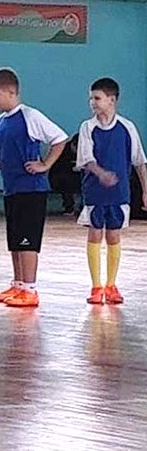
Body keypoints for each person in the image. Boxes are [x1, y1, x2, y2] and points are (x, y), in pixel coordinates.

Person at [0, 68, 67, 309]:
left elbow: (60, 138)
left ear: (11, 92)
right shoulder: (0, 122)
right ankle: (18, 285)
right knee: (16, 240)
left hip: (31, 190)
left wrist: (45, 164)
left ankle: (30, 289)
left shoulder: (30, 116)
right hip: (12, 190)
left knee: (28, 241)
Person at [74, 77, 147, 305]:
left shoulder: (127, 127)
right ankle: (96, 286)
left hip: (119, 193)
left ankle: (111, 285)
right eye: (91, 98)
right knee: (95, 233)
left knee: (114, 235)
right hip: (94, 192)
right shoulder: (87, 127)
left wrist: (145, 191)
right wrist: (101, 173)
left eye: (97, 98)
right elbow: (86, 159)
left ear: (112, 100)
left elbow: (139, 162)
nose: (92, 103)